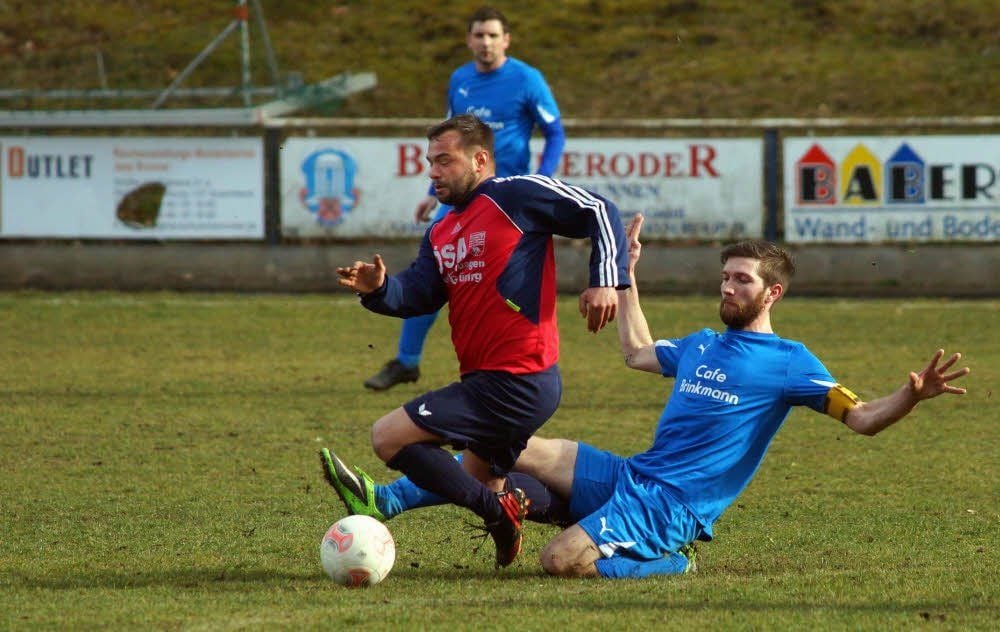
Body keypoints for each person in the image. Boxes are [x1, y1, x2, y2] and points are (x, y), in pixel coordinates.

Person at [322, 213, 971, 578]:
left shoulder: (791, 364)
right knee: (509, 446)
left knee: (559, 563)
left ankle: (664, 565)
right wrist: (625, 274)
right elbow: (637, 350)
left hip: (673, 504)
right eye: (725, 277)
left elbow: (859, 418)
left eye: (741, 280)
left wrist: (908, 397)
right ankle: (387, 498)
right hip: (633, 474)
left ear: (772, 293)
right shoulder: (702, 345)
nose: (728, 287)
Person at [324, 113, 627, 568]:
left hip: (517, 377)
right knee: (484, 481)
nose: (433, 171)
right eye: (430, 161)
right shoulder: (442, 231)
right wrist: (381, 289)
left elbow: (599, 211)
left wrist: (605, 279)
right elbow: (419, 295)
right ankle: (599, 519)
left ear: (480, 159)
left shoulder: (515, 195)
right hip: (496, 380)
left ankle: (497, 515)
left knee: (387, 438)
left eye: (444, 160)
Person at [365, 5, 566, 391]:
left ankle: (522, 369)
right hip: (461, 198)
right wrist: (431, 191)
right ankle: (407, 361)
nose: (486, 42)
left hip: (507, 204)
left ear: (506, 40)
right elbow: (448, 142)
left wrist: (541, 180)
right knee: (436, 269)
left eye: (493, 35)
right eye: (479, 35)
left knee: (500, 286)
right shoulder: (460, 80)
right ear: (469, 40)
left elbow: (555, 133)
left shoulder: (527, 79)